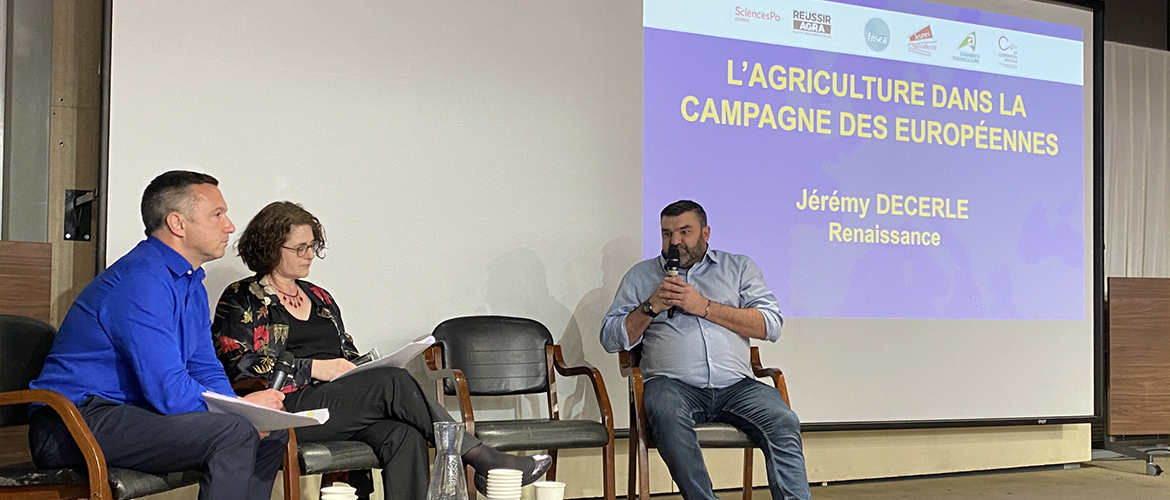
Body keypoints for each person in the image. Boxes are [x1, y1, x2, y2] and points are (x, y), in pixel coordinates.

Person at [211, 201, 551, 500]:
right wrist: (312, 367)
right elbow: (239, 366)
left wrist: (362, 366)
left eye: (313, 246)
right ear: (271, 248)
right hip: (289, 408)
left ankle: (478, 461)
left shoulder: (320, 297)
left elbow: (346, 352)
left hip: (340, 405)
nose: (309, 255)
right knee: (392, 382)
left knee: (402, 434)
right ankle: (481, 458)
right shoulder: (243, 297)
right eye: (300, 247)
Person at [29, 171, 289, 500]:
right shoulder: (141, 281)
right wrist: (237, 413)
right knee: (234, 431)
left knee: (271, 433)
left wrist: (248, 412)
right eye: (217, 215)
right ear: (177, 223)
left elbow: (204, 368)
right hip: (74, 421)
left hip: (129, 413)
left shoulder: (189, 282)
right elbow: (168, 389)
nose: (230, 226)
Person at [600, 200, 811, 500]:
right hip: (672, 386)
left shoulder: (738, 268)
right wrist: (651, 306)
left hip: (737, 387)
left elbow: (770, 324)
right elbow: (609, 338)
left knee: (783, 419)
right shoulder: (640, 276)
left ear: (705, 233)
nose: (675, 242)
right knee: (664, 409)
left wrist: (704, 307)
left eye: (684, 232)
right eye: (666, 234)